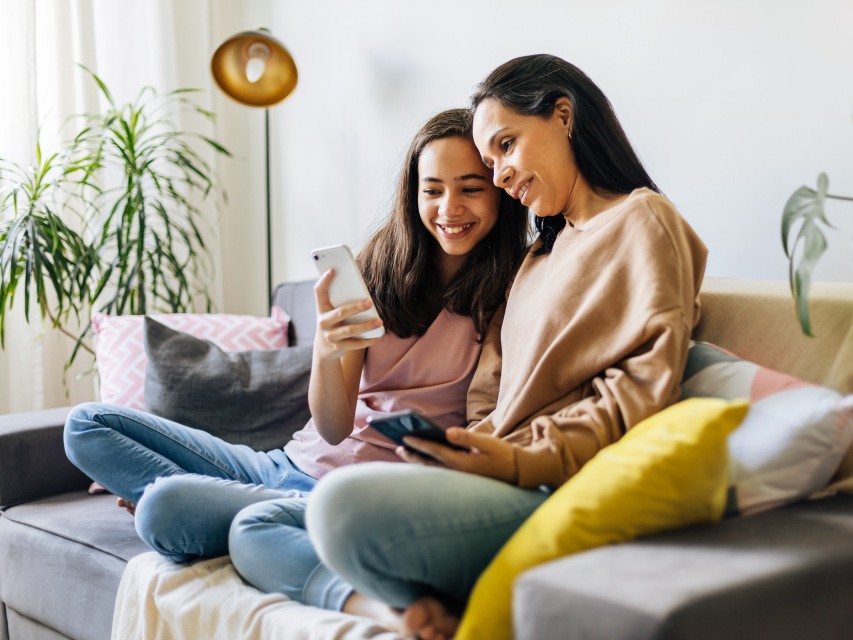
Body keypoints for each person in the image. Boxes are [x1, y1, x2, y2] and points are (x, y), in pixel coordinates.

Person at [303, 53, 709, 639]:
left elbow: (641, 392)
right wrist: (468, 445)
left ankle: (400, 595)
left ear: (563, 116)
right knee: (267, 521)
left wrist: (517, 459)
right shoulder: (541, 255)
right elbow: (491, 394)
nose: (499, 178)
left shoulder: (642, 219)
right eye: (490, 162)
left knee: (335, 509)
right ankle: (408, 597)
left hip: (544, 481)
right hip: (488, 473)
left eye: (506, 147)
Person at [62, 108, 529, 608]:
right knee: (86, 425)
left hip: (352, 495)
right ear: (412, 195)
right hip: (281, 466)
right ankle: (235, 507)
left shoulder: (513, 291)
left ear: (500, 190)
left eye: (471, 188)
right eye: (432, 189)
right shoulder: (375, 268)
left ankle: (233, 514)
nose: (449, 208)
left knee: (159, 508)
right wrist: (328, 350)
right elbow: (330, 427)